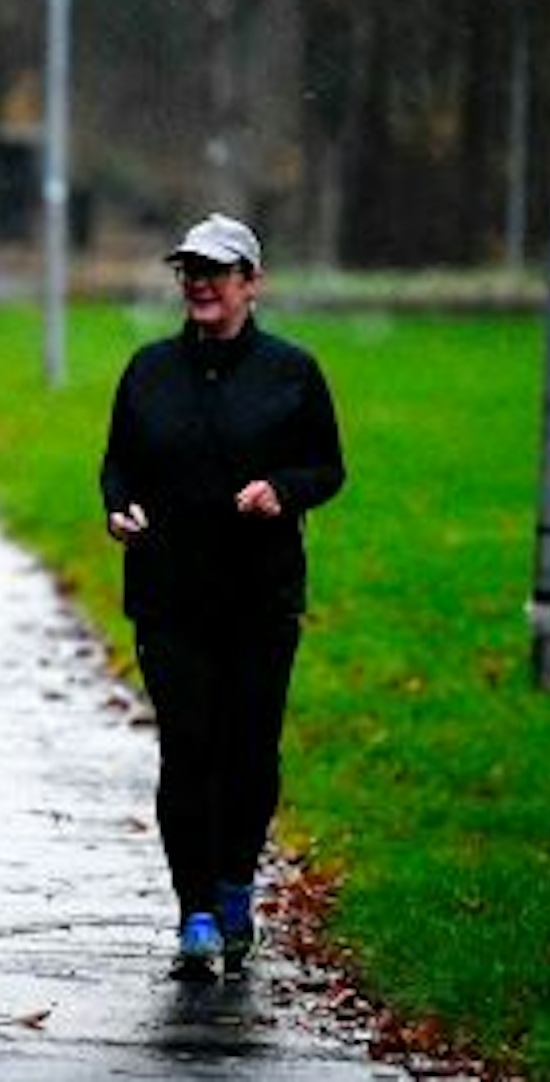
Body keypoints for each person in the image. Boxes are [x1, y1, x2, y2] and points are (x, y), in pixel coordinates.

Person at [98, 213, 345, 976]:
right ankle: (196, 914)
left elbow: (327, 468)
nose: (200, 284)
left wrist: (282, 490)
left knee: (249, 753)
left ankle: (236, 881)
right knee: (187, 750)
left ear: (251, 282)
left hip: (259, 598)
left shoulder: (291, 372)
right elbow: (118, 464)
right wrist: (118, 508)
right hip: (169, 596)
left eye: (216, 271)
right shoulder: (149, 370)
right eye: (190, 272)